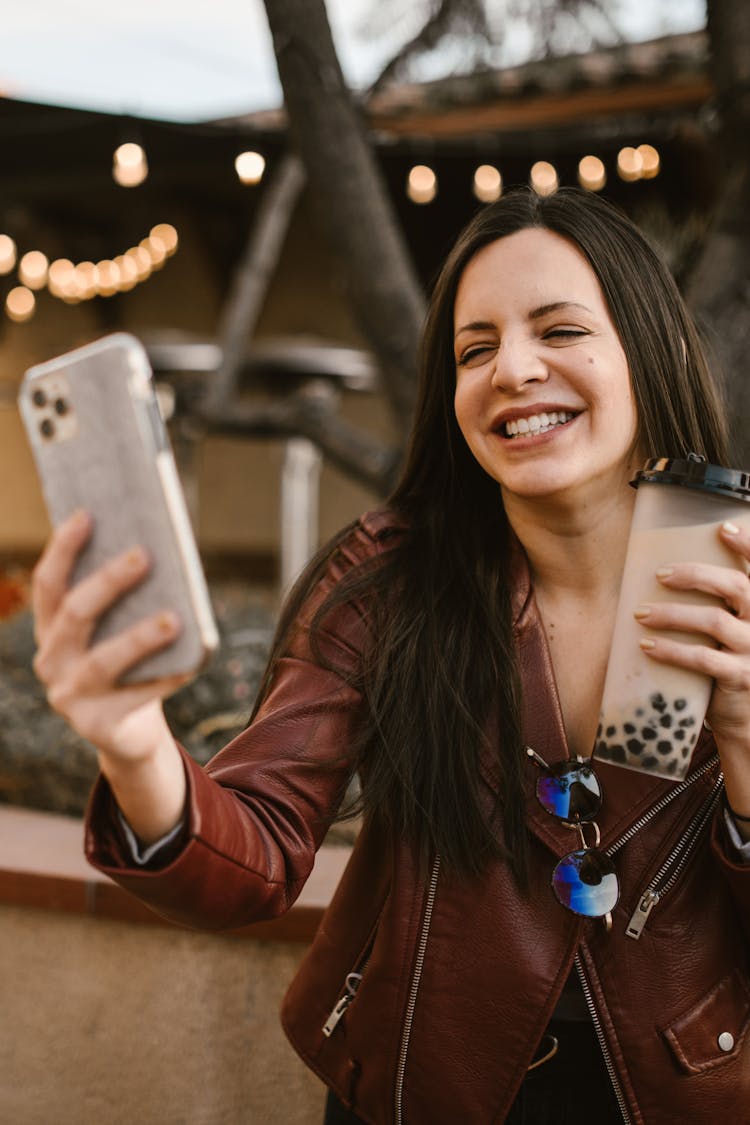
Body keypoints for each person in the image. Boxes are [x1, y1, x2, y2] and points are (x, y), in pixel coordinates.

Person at [31, 187, 750, 1124]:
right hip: (420, 1084)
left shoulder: (733, 579)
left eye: (560, 329)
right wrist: (132, 743)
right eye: (476, 349)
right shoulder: (388, 582)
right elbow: (255, 853)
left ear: (648, 354)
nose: (514, 370)